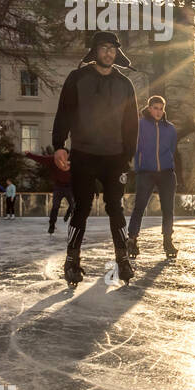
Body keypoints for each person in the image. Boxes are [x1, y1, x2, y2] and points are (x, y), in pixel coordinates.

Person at [53, 30, 139, 285]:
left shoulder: (125, 84)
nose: (108, 52)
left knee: (116, 207)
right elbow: (64, 113)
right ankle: (72, 261)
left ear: (117, 52)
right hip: (83, 153)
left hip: (115, 157)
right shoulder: (77, 78)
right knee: (81, 207)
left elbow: (131, 123)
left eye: (113, 48)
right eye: (103, 47)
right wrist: (59, 145)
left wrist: (128, 155)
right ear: (95, 51)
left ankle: (122, 260)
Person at [126, 95, 179, 259]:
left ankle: (167, 240)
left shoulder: (170, 129)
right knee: (140, 206)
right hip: (146, 172)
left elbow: (172, 148)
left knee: (168, 209)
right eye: (155, 108)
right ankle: (132, 239)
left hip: (166, 173)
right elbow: (133, 147)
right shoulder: (139, 125)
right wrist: (135, 164)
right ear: (149, 109)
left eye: (161, 108)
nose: (158, 111)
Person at [26, 148, 75, 233]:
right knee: (55, 206)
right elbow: (41, 159)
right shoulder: (53, 159)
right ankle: (52, 225)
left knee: (73, 205)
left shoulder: (73, 161)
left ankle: (68, 214)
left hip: (70, 187)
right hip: (58, 187)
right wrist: (29, 155)